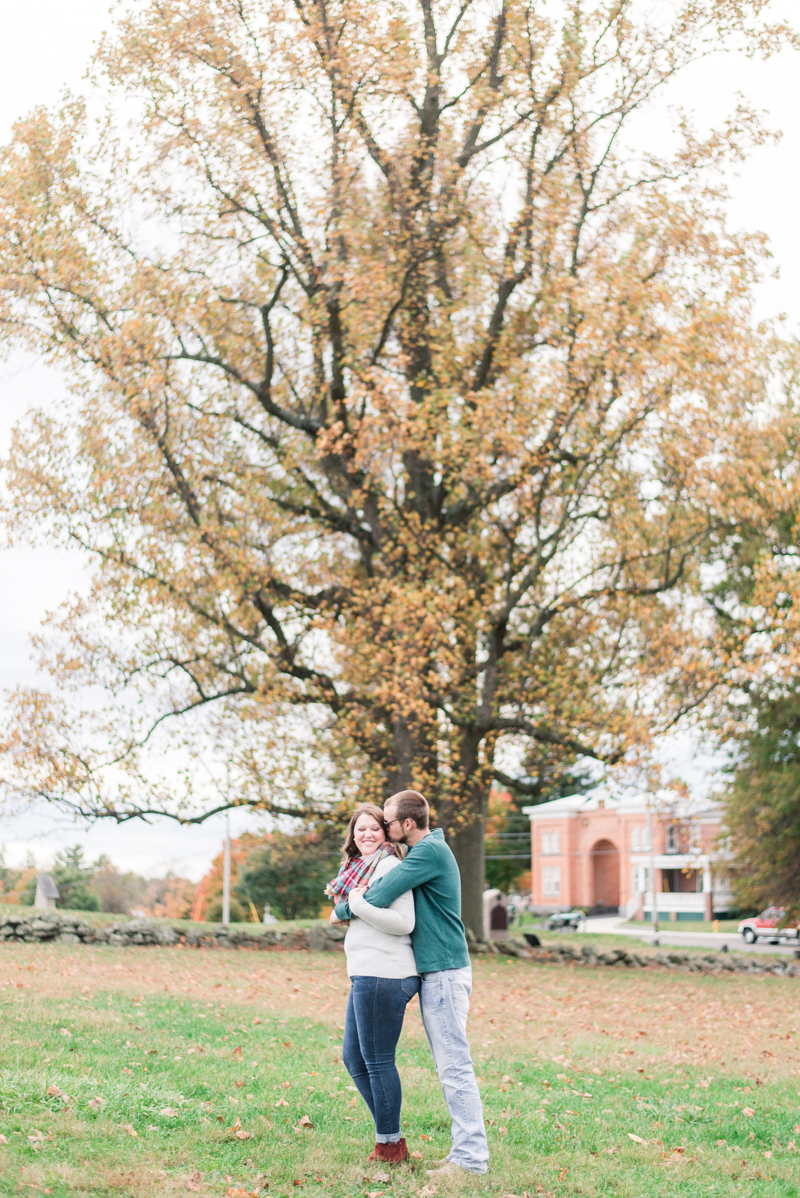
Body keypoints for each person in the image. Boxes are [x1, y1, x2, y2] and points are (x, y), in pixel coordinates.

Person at [333, 790, 489, 1178]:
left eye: (386, 822)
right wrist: (352, 902)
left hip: (445, 970)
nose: (382, 829)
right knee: (447, 1065)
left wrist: (345, 906)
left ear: (406, 824)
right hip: (434, 969)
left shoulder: (427, 852)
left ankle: (470, 1160)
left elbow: (382, 895)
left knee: (455, 1067)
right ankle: (462, 1154)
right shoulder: (425, 851)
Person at [326, 802, 420, 1165]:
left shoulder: (390, 866)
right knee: (354, 1057)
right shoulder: (355, 870)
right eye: (360, 829)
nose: (366, 834)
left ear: (386, 833)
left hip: (387, 973)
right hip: (366, 972)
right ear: (352, 835)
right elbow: (342, 912)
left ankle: (388, 1147)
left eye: (374, 829)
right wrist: (351, 903)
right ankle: (391, 1137)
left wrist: (355, 903)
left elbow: (403, 922)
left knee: (378, 1061)